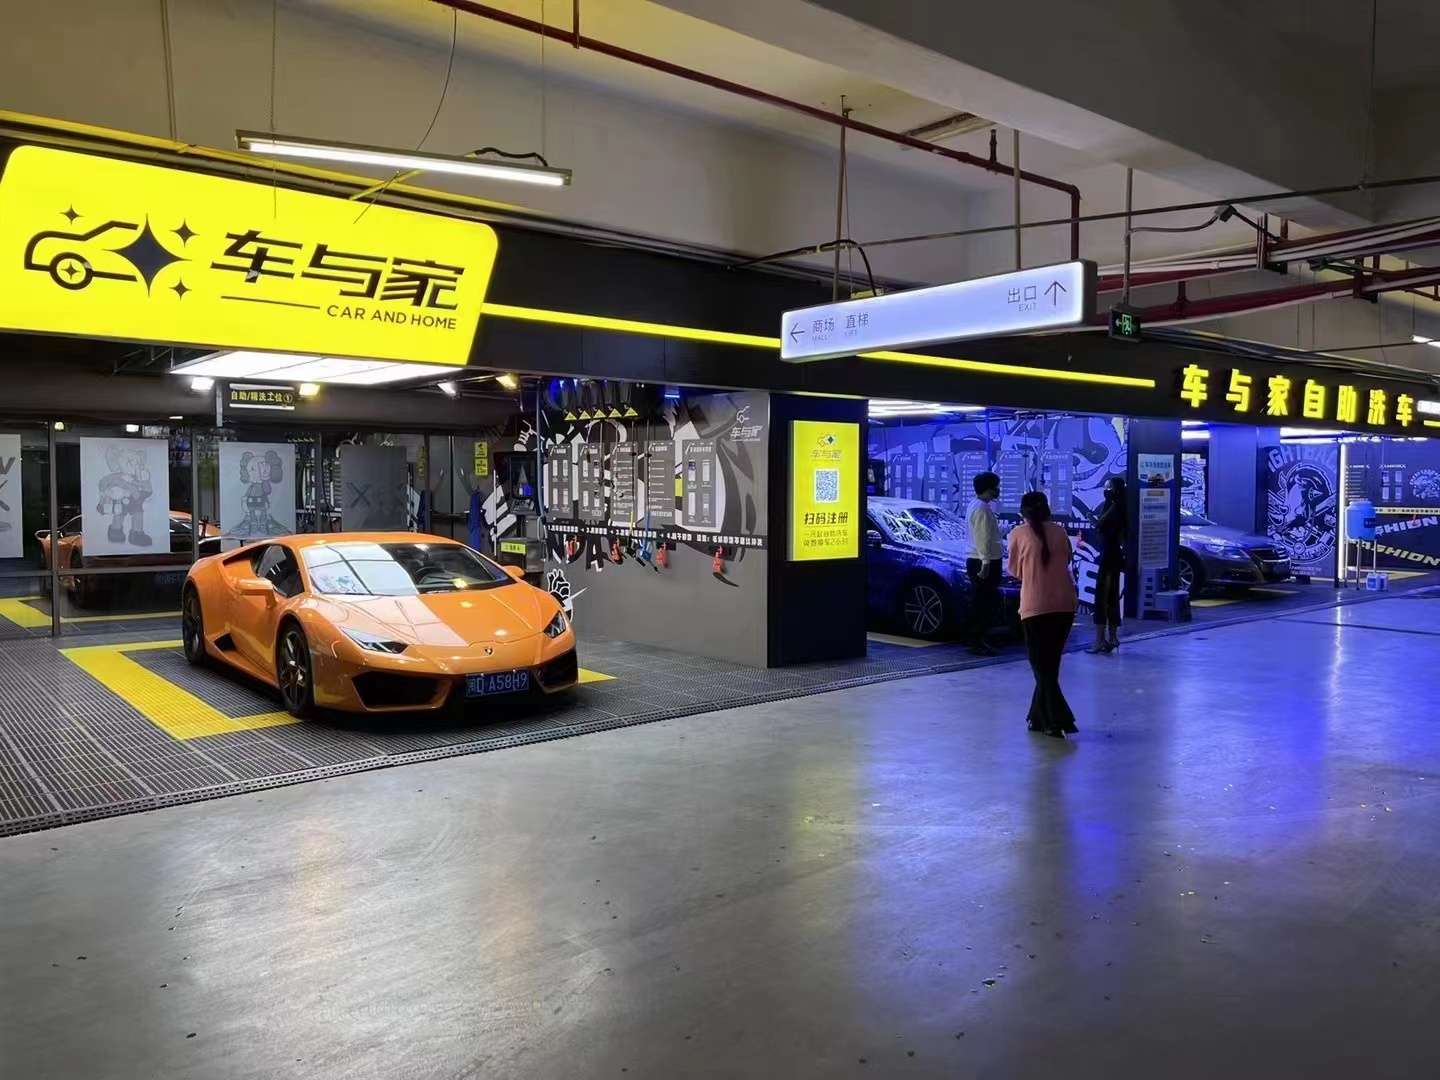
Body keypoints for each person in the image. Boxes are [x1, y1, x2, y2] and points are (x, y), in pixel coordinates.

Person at [1007, 490, 1079, 738]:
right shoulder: (1060, 532)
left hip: (1035, 605)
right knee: (1050, 665)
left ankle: (1057, 721)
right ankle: (1037, 718)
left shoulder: (1017, 534)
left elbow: (1015, 571)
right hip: (1065, 604)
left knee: (1041, 667)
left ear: (1023, 512)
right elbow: (1067, 560)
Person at [965, 471, 1003, 656]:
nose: (998, 490)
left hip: (978, 559)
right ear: (989, 488)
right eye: (996, 486)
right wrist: (986, 563)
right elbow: (983, 539)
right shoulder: (982, 508)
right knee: (983, 604)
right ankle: (977, 642)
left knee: (981, 602)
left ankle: (978, 640)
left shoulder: (976, 505)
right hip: (984, 561)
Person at [1089, 476, 1128, 654]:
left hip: (1108, 555)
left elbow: (1100, 524)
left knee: (1101, 596)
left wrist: (1091, 518)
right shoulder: (1123, 506)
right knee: (1112, 596)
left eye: (1109, 487)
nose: (1106, 490)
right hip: (1116, 555)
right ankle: (1113, 637)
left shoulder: (1114, 506)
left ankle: (1099, 640)